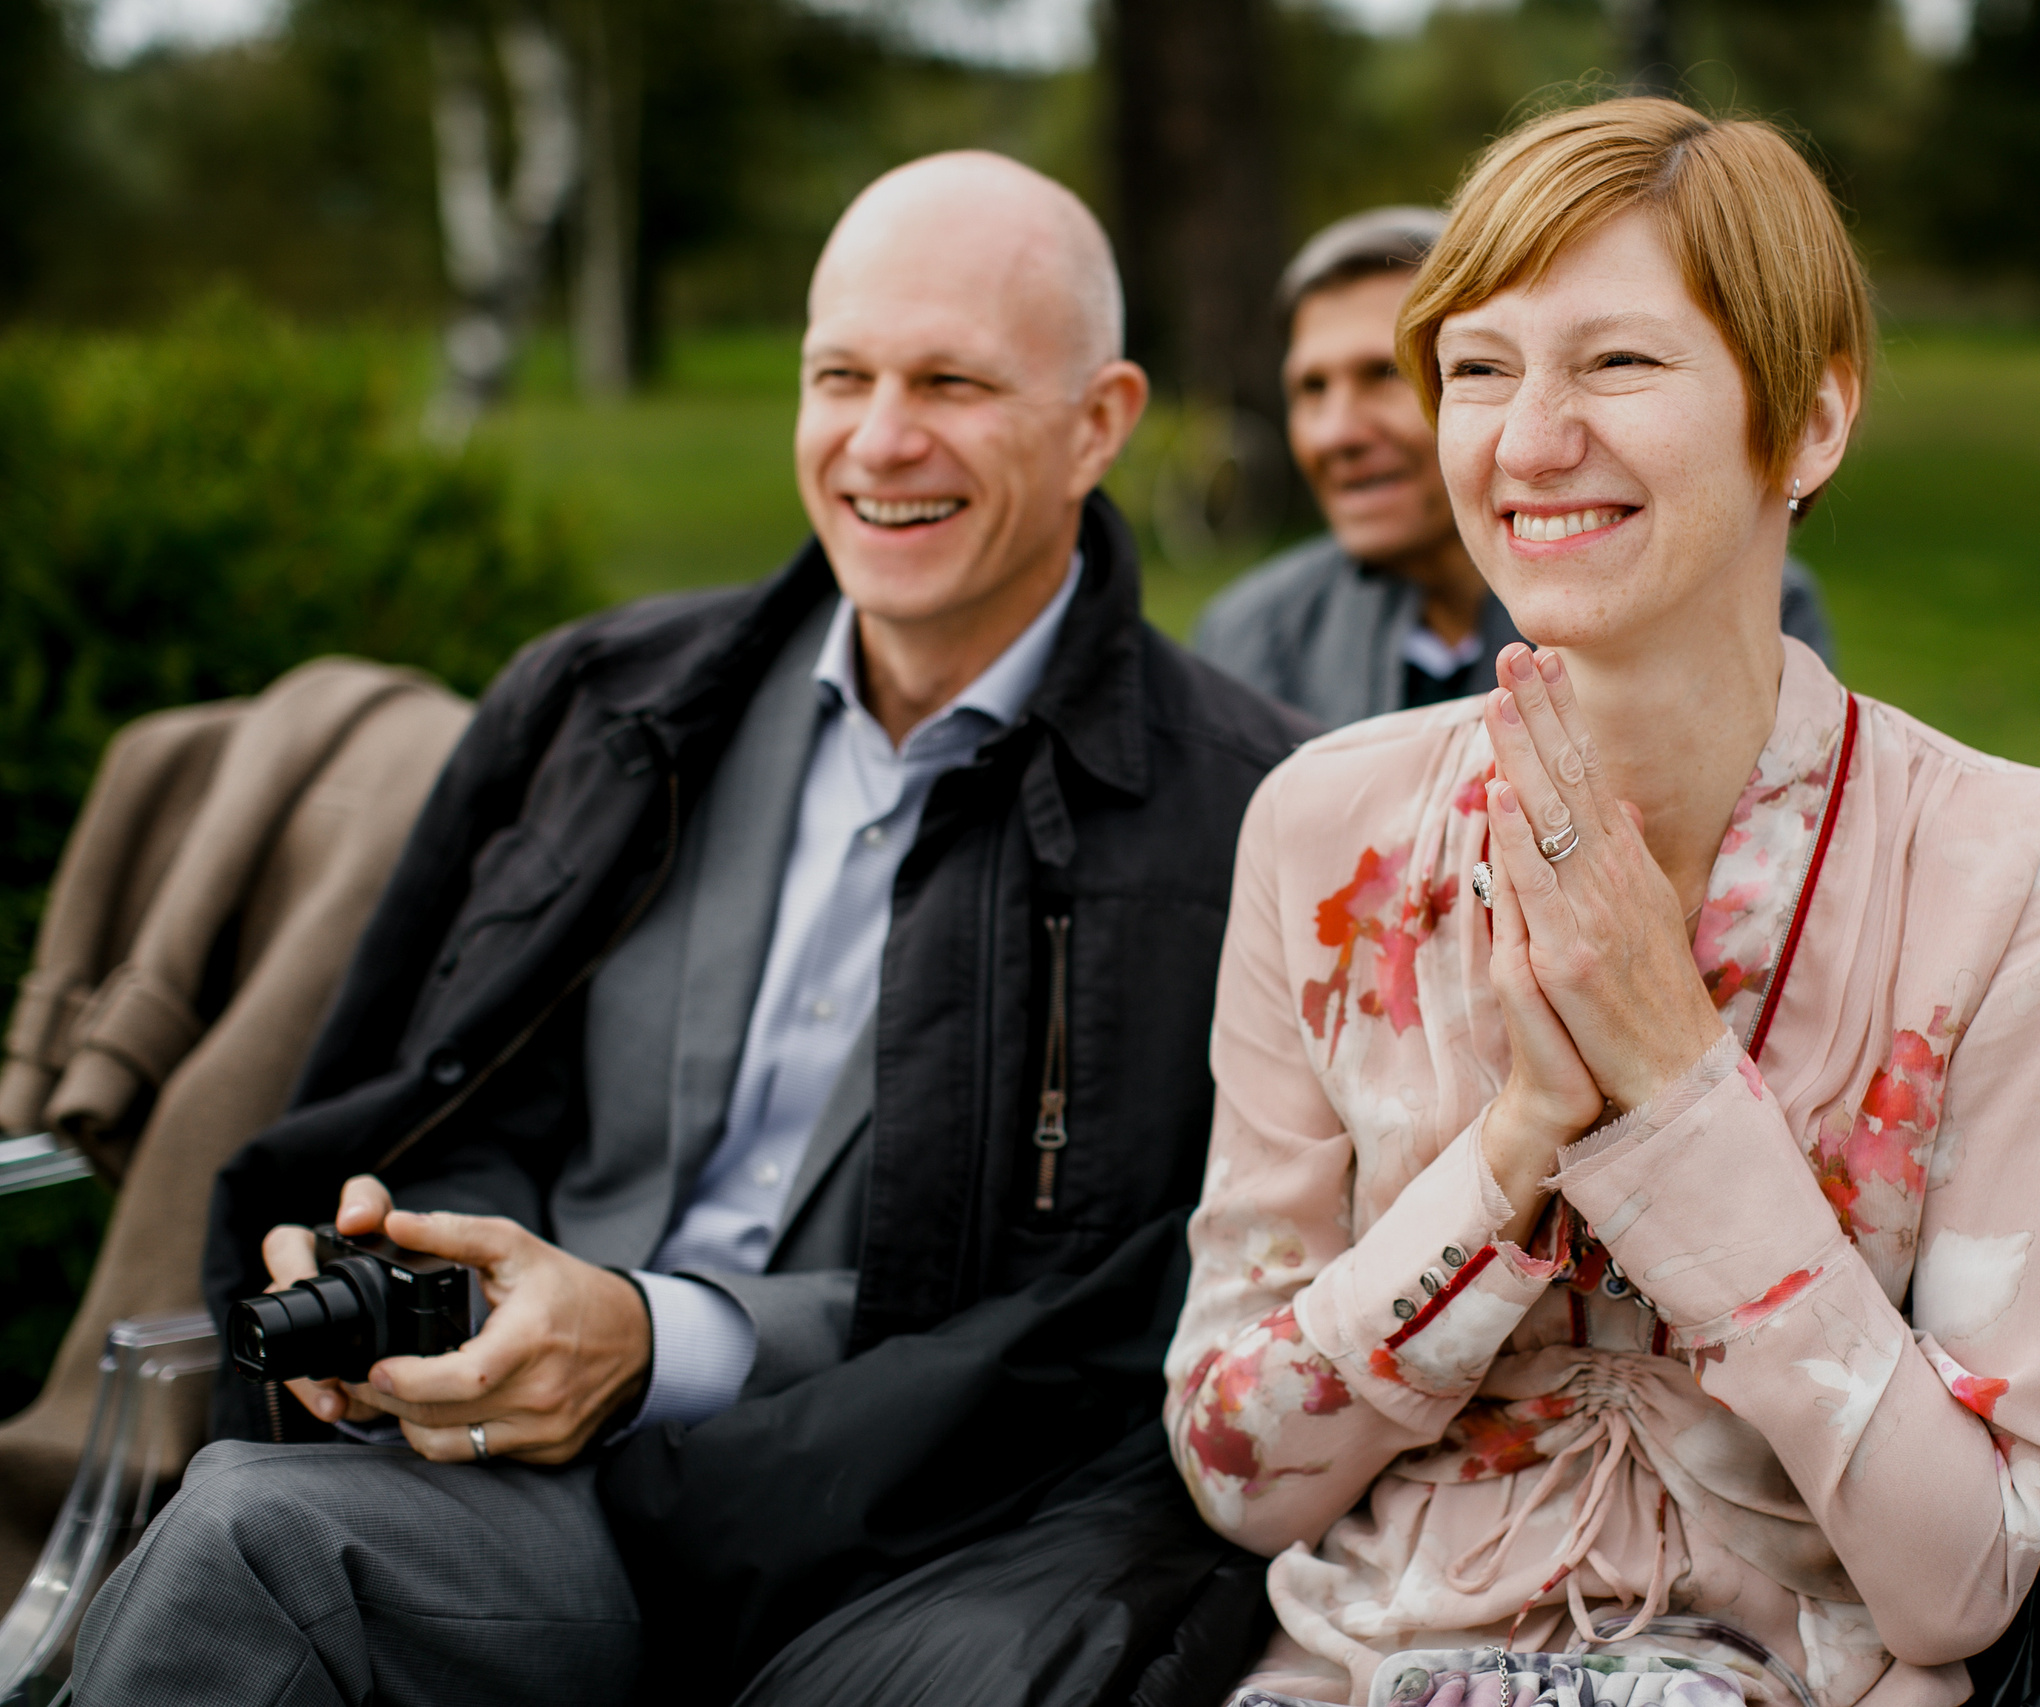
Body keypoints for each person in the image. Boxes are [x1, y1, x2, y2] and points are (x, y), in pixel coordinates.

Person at [67, 151, 1307, 1707]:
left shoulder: (1258, 815)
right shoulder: (599, 702)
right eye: (838, 374)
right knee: (252, 1538)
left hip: (926, 1557)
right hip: (519, 1494)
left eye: (952, 382)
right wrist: (410, 1280)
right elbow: (438, 1091)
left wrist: (664, 1339)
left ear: (1101, 421)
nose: (879, 439)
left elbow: (1127, 1322)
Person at [1164, 98, 2040, 1705]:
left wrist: (1683, 1097)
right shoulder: (1322, 830)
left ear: (1810, 419)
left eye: (1617, 363)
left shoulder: (2027, 866)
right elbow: (1236, 1466)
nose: (1529, 439)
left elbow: (1963, 1569)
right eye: (1480, 368)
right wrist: (1509, 1152)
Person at [1193, 204, 1837, 731]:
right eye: (1311, 390)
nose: (1337, 432)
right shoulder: (1254, 636)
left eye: (1385, 375)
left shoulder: (1719, 597)